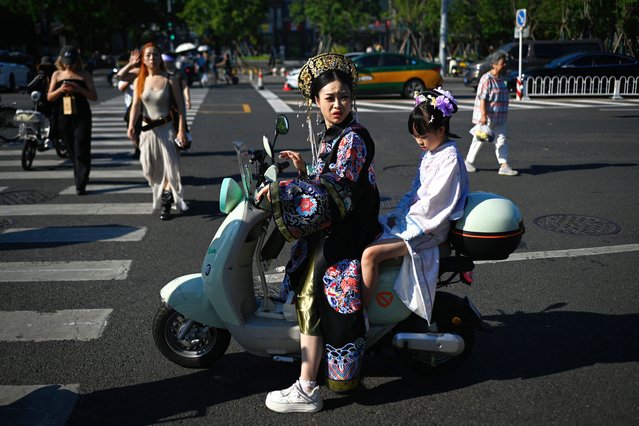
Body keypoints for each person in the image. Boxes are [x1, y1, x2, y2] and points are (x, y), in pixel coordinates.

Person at [256, 53, 381, 413]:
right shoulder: (334, 134)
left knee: (313, 288)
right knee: (303, 264)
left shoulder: (354, 137)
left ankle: (308, 386)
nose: (338, 104)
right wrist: (304, 170)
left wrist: (284, 191)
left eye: (343, 96)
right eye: (329, 98)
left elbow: (337, 187)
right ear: (316, 102)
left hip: (351, 229)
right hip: (343, 221)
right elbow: (327, 177)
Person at [360, 89, 470, 322]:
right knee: (364, 234)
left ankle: (359, 319)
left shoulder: (449, 157)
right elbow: (415, 191)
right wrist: (398, 214)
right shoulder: (433, 152)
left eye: (423, 136)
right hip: (418, 219)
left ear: (441, 130)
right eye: (415, 137)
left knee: (370, 255)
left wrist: (405, 222)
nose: (419, 141)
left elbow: (436, 203)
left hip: (430, 228)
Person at [127, 42, 189, 220]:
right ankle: (165, 193)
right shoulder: (140, 79)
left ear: (160, 57)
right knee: (149, 169)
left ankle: (166, 203)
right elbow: (136, 106)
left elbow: (181, 108)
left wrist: (181, 130)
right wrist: (131, 125)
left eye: (155, 54)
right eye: (148, 55)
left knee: (170, 169)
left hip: (167, 129)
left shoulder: (170, 79)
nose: (152, 58)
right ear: (143, 60)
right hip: (147, 131)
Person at [47, 46, 97, 195]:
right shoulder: (57, 75)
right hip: (63, 114)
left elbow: (94, 96)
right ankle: (80, 171)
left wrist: (78, 89)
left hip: (82, 115)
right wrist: (60, 90)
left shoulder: (84, 75)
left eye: (72, 62)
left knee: (81, 146)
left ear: (77, 61)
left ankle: (80, 182)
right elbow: (49, 97)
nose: (69, 65)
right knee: (71, 148)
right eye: (67, 62)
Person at [464, 51, 518, 176]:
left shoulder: (500, 78)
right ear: (494, 64)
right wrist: (483, 115)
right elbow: (482, 98)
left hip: (500, 117)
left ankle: (504, 165)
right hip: (489, 116)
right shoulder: (487, 79)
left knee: (501, 140)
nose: (504, 65)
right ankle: (468, 162)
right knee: (479, 140)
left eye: (504, 63)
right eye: (501, 63)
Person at [116, 49, 141, 158]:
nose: (136, 61)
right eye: (132, 59)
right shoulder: (130, 74)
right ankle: (137, 148)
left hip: (144, 106)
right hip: (131, 105)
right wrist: (131, 68)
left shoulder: (143, 71)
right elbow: (121, 84)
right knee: (133, 129)